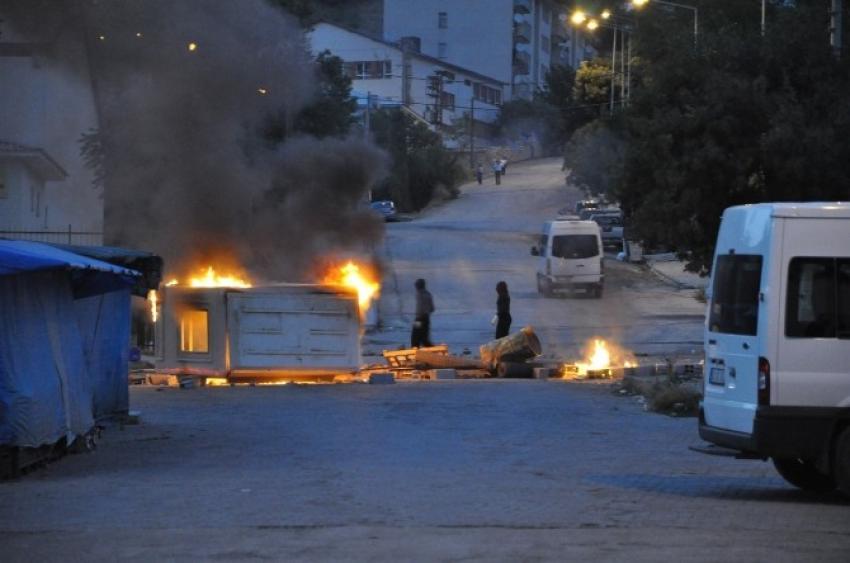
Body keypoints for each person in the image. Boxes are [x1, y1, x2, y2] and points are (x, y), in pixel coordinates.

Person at [411, 278, 435, 347]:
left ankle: (415, 352)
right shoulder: (428, 294)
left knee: (415, 337)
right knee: (424, 338)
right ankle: (431, 351)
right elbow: (432, 309)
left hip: (419, 319)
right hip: (426, 319)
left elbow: (421, 308)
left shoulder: (419, 294)